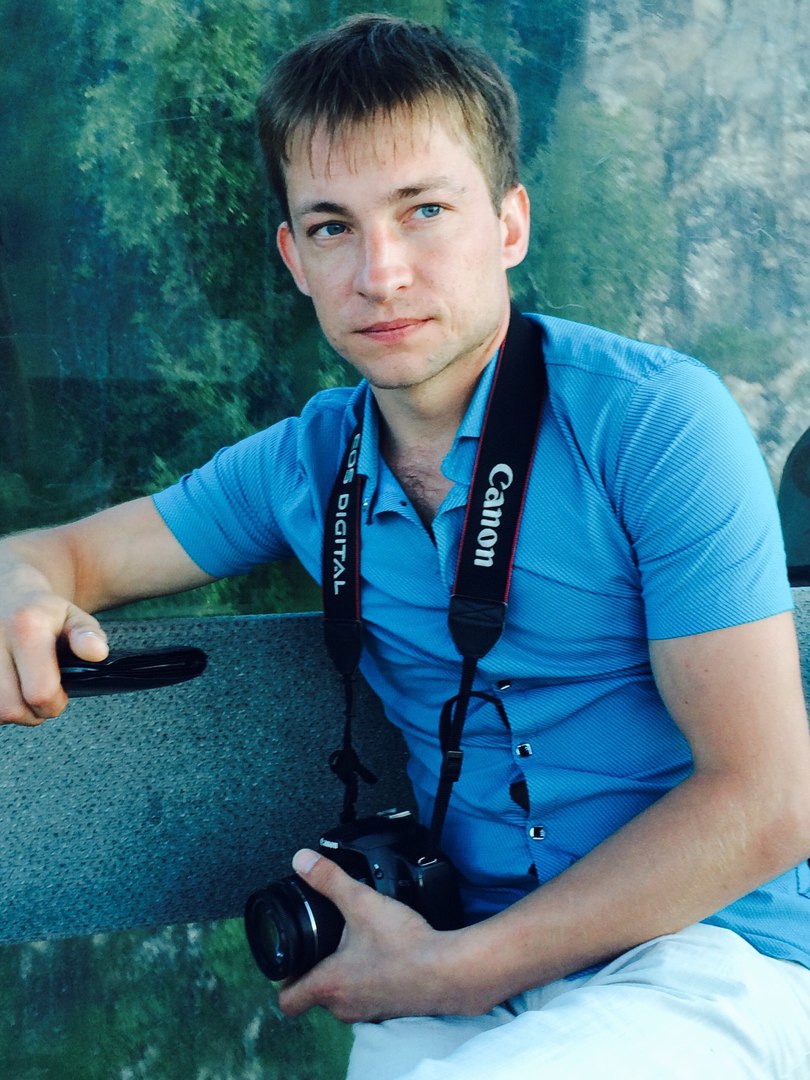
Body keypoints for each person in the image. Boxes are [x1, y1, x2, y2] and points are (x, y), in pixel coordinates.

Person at [2, 14, 810, 1079]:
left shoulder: (654, 423)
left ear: (509, 223)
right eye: (332, 226)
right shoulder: (305, 463)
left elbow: (767, 801)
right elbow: (59, 553)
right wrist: (20, 594)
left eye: (424, 210)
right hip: (454, 958)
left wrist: (462, 970)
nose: (380, 273)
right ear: (294, 258)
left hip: (705, 955)